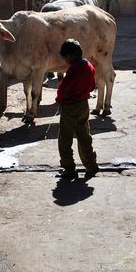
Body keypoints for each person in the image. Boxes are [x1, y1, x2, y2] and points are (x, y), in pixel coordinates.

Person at [55, 39, 99, 179]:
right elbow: (92, 86)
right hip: (83, 105)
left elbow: (62, 88)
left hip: (70, 106)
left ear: (69, 56)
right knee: (84, 136)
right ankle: (91, 165)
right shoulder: (89, 66)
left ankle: (69, 170)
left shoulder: (73, 69)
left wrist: (60, 99)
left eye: (64, 58)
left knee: (65, 139)